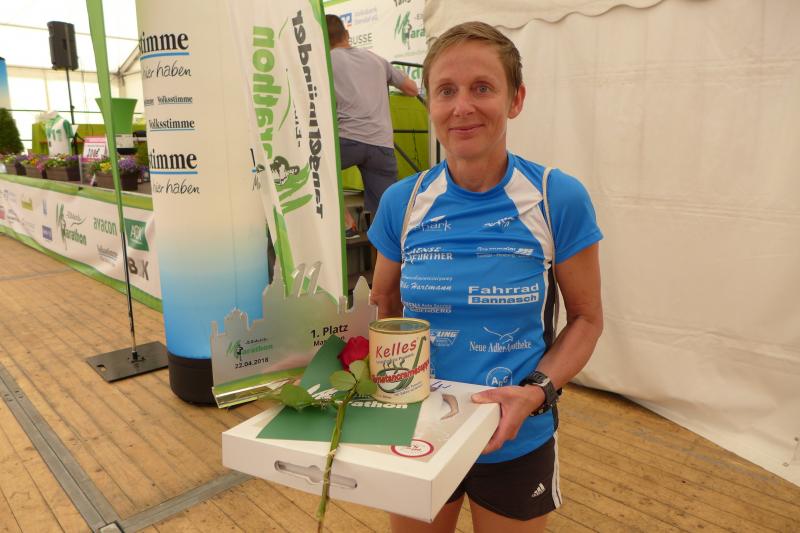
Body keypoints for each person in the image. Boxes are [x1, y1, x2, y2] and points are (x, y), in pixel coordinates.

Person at [367, 21, 604, 533]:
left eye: (482, 88)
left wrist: (537, 391)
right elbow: (382, 304)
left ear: (515, 99)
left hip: (516, 439)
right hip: (418, 433)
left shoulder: (555, 197)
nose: (462, 107)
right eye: (446, 91)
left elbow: (587, 319)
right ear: (430, 104)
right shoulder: (402, 201)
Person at [325, 14, 418, 238]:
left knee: (313, 169)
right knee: (386, 213)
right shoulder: (377, 59)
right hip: (381, 145)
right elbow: (412, 89)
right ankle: (391, 252)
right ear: (347, 34)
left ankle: (347, 223)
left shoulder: (325, 62)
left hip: (347, 141)